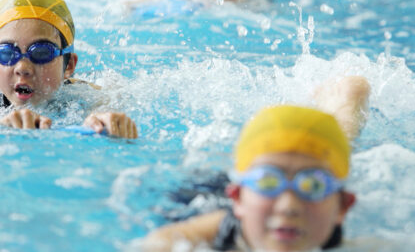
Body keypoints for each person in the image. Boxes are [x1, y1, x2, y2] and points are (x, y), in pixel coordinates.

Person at [142, 77, 370, 251]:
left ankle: (344, 107)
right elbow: (162, 240)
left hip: (257, 189)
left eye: (313, 186)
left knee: (332, 154)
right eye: (270, 183)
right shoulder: (223, 228)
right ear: (237, 198)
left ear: (343, 207)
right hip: (205, 196)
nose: (288, 205)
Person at [0, 0, 138, 138]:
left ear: (69, 65)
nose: (22, 68)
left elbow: (107, 103)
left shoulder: (80, 96)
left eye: (41, 53)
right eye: (7, 53)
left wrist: (106, 120)